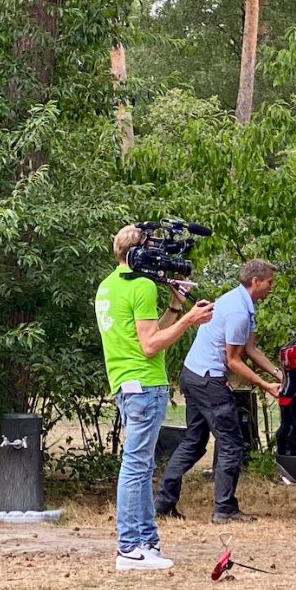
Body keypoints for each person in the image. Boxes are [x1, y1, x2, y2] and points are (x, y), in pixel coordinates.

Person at [95, 224, 215, 571]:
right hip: (144, 384)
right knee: (136, 465)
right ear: (137, 254)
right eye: (152, 249)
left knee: (142, 464)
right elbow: (150, 346)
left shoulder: (109, 286)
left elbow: (146, 333)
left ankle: (145, 542)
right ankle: (130, 546)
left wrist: (177, 305)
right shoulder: (143, 286)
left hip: (125, 383)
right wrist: (191, 320)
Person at [155, 259, 282, 524]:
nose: (272, 287)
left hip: (193, 374)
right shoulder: (237, 311)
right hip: (208, 380)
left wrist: (277, 374)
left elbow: (250, 349)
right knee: (231, 444)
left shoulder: (238, 302)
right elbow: (233, 361)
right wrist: (265, 386)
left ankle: (163, 503)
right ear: (256, 282)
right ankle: (225, 509)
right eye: (270, 282)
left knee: (194, 442)